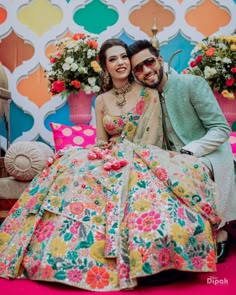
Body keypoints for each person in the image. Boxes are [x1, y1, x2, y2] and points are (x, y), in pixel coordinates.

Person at [0, 38, 221, 291]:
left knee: (137, 186)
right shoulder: (102, 100)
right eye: (113, 59)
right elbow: (100, 141)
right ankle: (67, 256)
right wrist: (101, 157)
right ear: (105, 67)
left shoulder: (149, 94)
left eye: (123, 57)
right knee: (72, 171)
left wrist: (127, 158)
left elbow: (152, 140)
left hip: (142, 156)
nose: (120, 62)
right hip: (108, 155)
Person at [128, 39, 236, 263]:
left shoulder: (190, 84)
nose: (146, 71)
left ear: (159, 60)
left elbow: (220, 129)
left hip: (207, 155)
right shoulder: (145, 98)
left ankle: (220, 233)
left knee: (186, 170)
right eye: (138, 68)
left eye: (149, 62)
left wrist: (189, 152)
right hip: (169, 160)